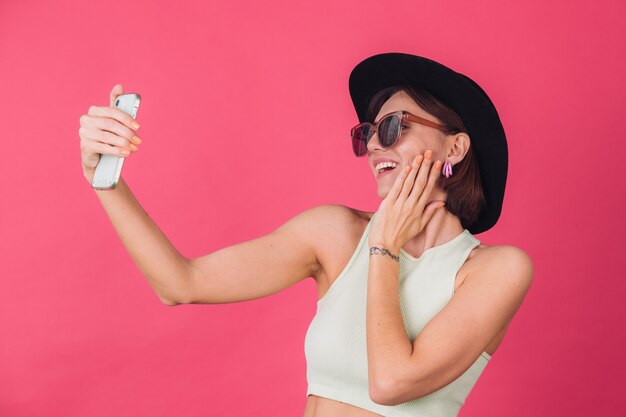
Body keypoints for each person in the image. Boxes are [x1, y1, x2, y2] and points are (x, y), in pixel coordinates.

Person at [78, 52, 534, 417]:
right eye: (368, 134)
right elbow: (180, 283)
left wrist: (383, 246)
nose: (375, 145)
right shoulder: (334, 232)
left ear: (455, 146)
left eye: (393, 127)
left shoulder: (494, 270)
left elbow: (392, 382)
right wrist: (106, 181)